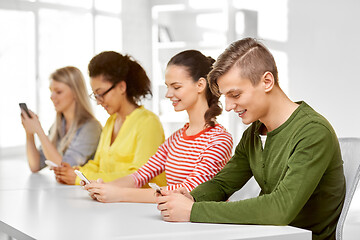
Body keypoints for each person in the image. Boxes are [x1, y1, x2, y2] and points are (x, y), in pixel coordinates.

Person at [155, 38, 345, 240]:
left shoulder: (313, 132)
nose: (227, 106)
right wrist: (192, 197)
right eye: (225, 96)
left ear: (267, 81)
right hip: (266, 235)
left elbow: (279, 209)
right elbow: (223, 183)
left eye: (235, 94)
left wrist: (193, 211)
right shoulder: (254, 132)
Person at [84, 50, 233, 203]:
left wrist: (119, 194)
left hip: (205, 225)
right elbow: (140, 175)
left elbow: (187, 191)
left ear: (200, 85)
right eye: (168, 86)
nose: (168, 94)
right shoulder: (176, 138)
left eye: (176, 87)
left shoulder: (219, 140)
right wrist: (104, 187)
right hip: (175, 220)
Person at [53, 51, 166, 186]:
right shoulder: (111, 121)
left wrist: (81, 178)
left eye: (101, 94)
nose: (99, 101)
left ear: (121, 87)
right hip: (112, 201)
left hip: (140, 204)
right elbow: (97, 164)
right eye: (95, 95)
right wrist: (76, 172)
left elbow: (140, 176)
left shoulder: (148, 123)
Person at [21, 66, 102, 173]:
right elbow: (35, 165)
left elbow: (64, 167)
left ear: (75, 93)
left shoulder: (91, 127)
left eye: (58, 92)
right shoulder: (59, 125)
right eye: (51, 91)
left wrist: (39, 131)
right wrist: (30, 133)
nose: (52, 96)